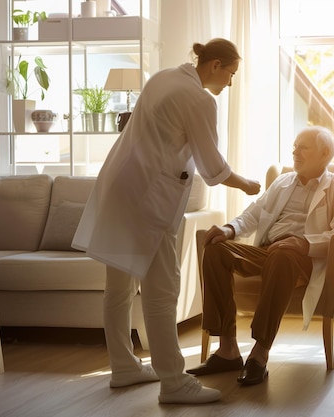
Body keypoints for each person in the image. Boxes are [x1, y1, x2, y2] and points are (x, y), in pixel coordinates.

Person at [72, 38, 261, 404]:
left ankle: (124, 366)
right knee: (163, 288)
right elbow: (212, 167)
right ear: (216, 65)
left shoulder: (162, 77)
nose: (231, 83)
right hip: (145, 199)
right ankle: (174, 382)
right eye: (231, 74)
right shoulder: (200, 98)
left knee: (119, 285)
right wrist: (248, 185)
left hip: (118, 187)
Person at [186, 126, 334, 385]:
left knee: (283, 256)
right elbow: (254, 214)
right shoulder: (282, 181)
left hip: (302, 258)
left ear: (324, 153)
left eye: (303, 147)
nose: (295, 152)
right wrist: (229, 228)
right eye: (294, 146)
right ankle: (227, 349)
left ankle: (259, 354)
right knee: (215, 249)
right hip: (267, 251)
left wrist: (303, 242)